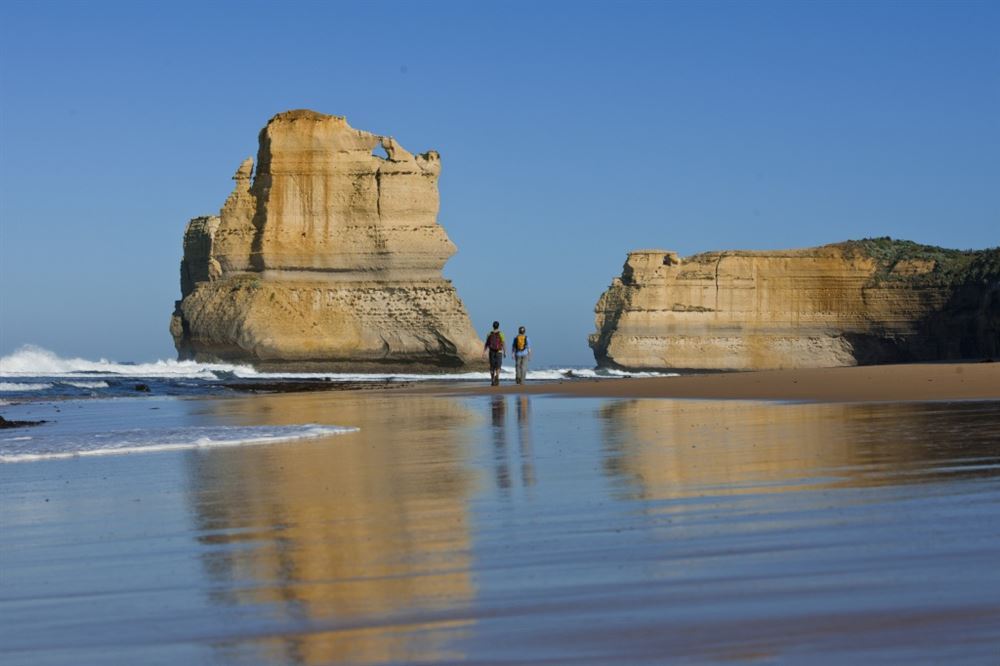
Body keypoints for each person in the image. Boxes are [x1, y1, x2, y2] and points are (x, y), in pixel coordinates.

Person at [482, 321, 505, 386]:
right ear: (498, 326)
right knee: (498, 366)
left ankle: (492, 380)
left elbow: (487, 343)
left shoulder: (489, 333)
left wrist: (484, 352)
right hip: (499, 351)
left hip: (491, 351)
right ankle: (497, 376)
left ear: (493, 326)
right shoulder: (501, 334)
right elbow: (503, 343)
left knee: (492, 366)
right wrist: (505, 351)